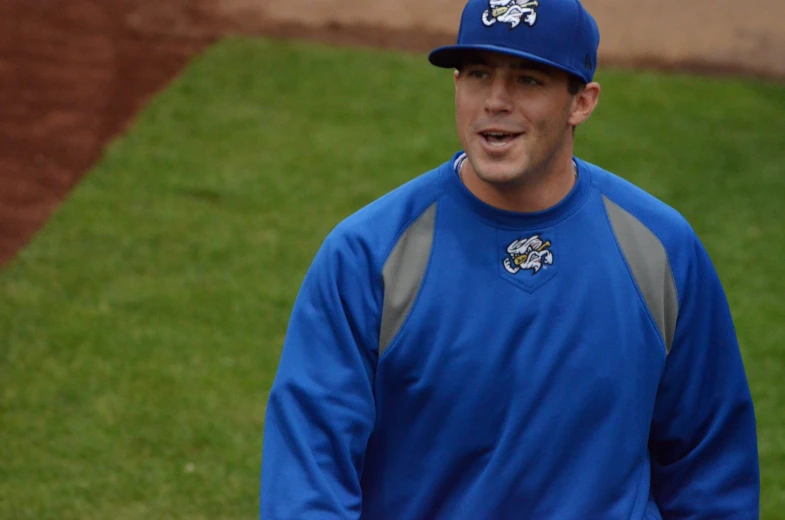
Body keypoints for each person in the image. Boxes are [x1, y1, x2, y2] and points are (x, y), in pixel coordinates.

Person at [259, 0, 760, 517]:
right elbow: (307, 476)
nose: (495, 102)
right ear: (456, 86)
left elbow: (710, 463)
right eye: (478, 74)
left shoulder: (660, 248)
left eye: (528, 80)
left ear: (581, 102)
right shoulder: (368, 254)